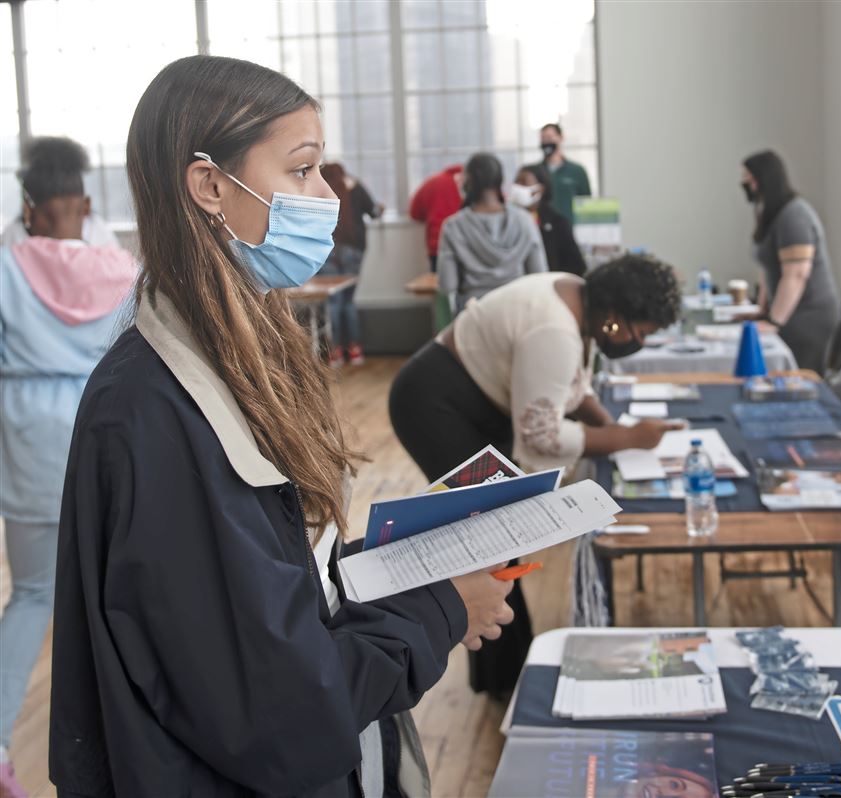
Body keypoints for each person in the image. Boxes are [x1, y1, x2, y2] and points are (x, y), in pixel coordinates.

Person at [49, 55, 515, 796]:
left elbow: (273, 577)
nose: (326, 195)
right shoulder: (153, 412)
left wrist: (412, 560)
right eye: (301, 170)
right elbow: (278, 709)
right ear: (209, 186)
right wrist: (442, 606)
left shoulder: (242, 355)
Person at [389, 255, 684, 698]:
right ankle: (509, 682)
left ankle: (504, 672)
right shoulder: (555, 329)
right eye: (637, 332)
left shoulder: (579, 297)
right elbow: (542, 436)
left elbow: (572, 387)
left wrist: (611, 428)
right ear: (613, 314)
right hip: (435, 404)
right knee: (490, 540)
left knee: (495, 539)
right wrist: (626, 438)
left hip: (470, 397)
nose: (636, 342)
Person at [0, 137, 136, 798]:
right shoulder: (124, 269)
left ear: (29, 208)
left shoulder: (4, 269)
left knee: (32, 596)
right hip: (105, 430)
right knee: (114, 595)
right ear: (84, 203)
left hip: (29, 436)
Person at [740, 151, 840, 373]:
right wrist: (762, 310)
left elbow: (796, 274)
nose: (745, 183)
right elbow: (767, 268)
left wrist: (774, 322)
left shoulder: (794, 216)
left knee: (796, 377)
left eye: (749, 178)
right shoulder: (771, 214)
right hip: (787, 310)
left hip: (808, 315)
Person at [437, 152, 548, 312]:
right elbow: (539, 274)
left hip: (474, 312)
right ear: (500, 180)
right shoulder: (524, 220)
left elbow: (448, 285)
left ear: (468, 181)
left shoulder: (453, 226)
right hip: (518, 312)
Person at [318, 162, 383, 367]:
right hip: (354, 251)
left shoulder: (319, 187)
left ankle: (334, 352)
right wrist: (380, 208)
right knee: (349, 301)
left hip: (327, 250)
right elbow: (374, 212)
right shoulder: (355, 185)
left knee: (332, 302)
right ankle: (355, 350)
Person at [511, 164, 587, 276]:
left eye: (524, 182)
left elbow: (576, 265)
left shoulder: (558, 223)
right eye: (516, 182)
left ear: (540, 190)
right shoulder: (508, 220)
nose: (517, 187)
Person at [529, 122, 592, 222]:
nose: (546, 142)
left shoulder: (577, 171)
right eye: (543, 138)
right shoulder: (534, 172)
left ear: (561, 138)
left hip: (570, 227)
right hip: (542, 227)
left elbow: (587, 204)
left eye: (549, 137)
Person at [408, 162, 463, 272]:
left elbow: (414, 212)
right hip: (463, 244)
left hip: (436, 244)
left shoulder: (432, 182)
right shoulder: (471, 184)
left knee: (438, 280)